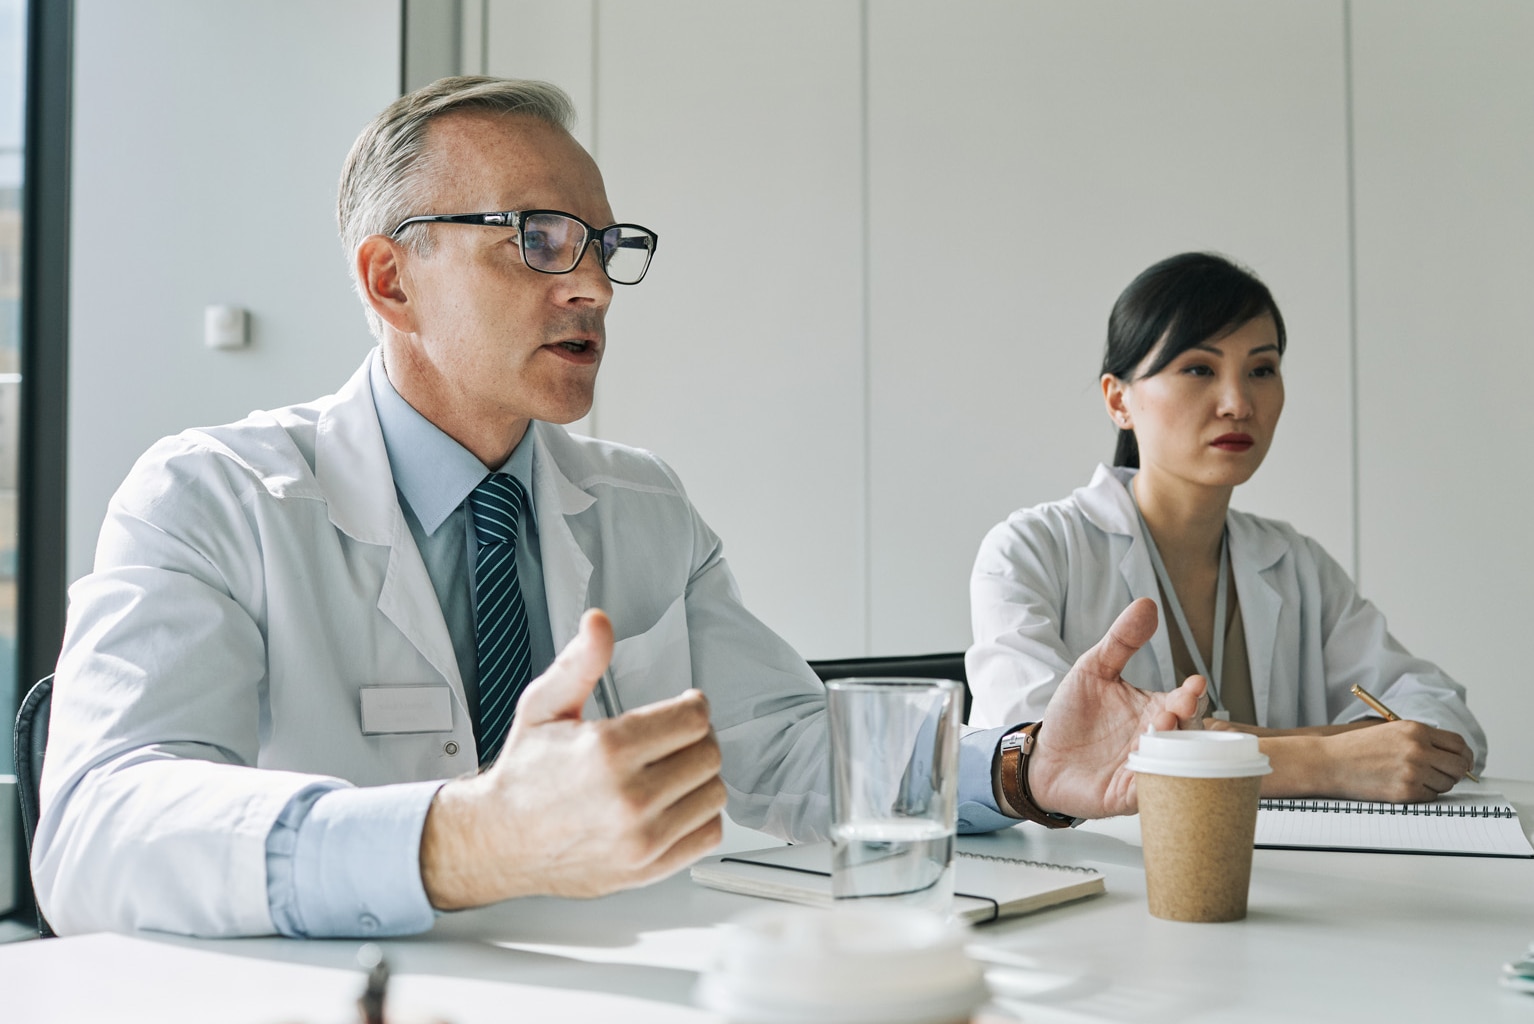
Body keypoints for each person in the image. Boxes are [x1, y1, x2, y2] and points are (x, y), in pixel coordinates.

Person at [33, 78, 1205, 939]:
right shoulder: (211, 497)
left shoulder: (640, 505)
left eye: (603, 243)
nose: (591, 282)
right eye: (535, 240)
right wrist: (457, 838)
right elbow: (96, 827)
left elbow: (782, 748)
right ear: (391, 278)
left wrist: (1015, 770)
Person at [968, 251, 1487, 803]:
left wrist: (1236, 744)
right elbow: (1038, 754)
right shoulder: (1030, 551)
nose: (1239, 403)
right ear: (1119, 399)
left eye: (1261, 370)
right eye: (1199, 368)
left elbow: (1440, 713)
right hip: (1098, 878)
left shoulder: (1294, 562)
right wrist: (1324, 758)